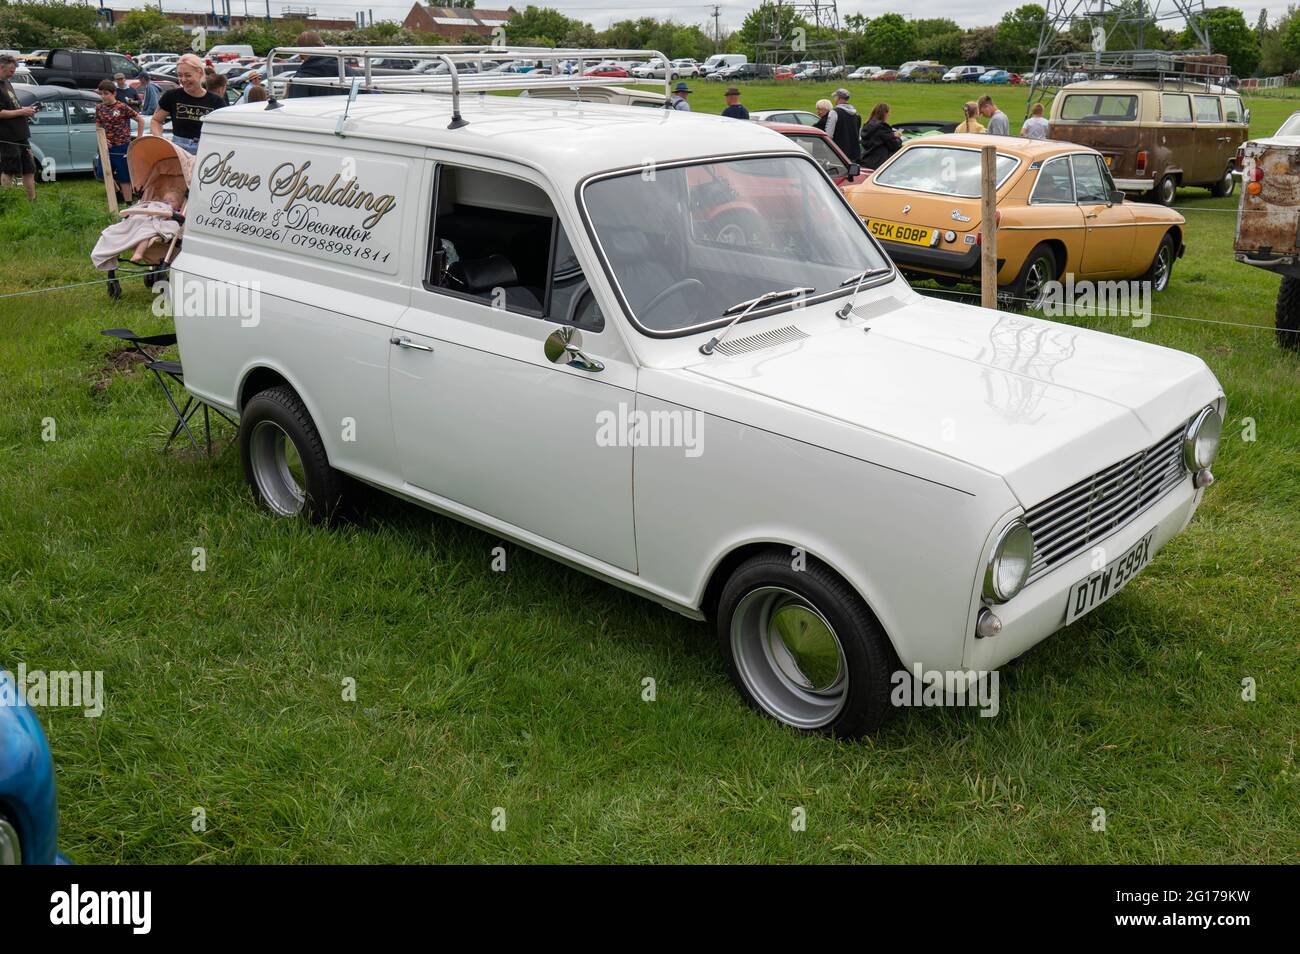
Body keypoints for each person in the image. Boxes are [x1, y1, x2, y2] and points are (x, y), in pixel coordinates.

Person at [151, 53, 224, 154]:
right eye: (180, 75)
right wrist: (161, 141)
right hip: (178, 150)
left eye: (188, 75)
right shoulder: (172, 96)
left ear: (199, 73)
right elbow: (156, 120)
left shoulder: (216, 101)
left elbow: (223, 131)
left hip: (205, 151)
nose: (183, 80)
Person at [95, 79, 144, 201]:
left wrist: (138, 139)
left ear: (114, 93)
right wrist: (102, 139)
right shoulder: (99, 108)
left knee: (124, 178)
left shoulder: (122, 107)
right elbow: (98, 126)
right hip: (106, 147)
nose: (103, 96)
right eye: (101, 93)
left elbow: (140, 120)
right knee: (102, 174)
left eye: (106, 93)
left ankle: (128, 202)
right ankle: (117, 194)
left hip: (122, 146)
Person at [0, 53, 37, 201]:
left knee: (29, 168)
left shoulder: (7, 83)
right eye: (11, 70)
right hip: (7, 136)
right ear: (1, 67)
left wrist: (26, 110)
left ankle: (32, 201)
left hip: (21, 134)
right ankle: (5, 202)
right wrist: (22, 111)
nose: (12, 73)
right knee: (9, 169)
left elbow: (13, 106)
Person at [288, 31, 348, 98]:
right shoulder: (348, 72)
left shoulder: (300, 80)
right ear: (323, 46)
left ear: (301, 54)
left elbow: (295, 106)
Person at [822, 88, 861, 162]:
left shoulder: (834, 112)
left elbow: (828, 134)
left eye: (835, 97)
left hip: (839, 153)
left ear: (838, 98)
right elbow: (858, 136)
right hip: (854, 153)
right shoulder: (856, 114)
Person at [859, 102, 902, 170]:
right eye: (888, 113)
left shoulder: (867, 125)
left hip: (865, 160)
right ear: (884, 113)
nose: (889, 115)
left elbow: (877, 138)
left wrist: (891, 135)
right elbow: (895, 145)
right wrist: (897, 137)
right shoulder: (882, 127)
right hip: (879, 163)